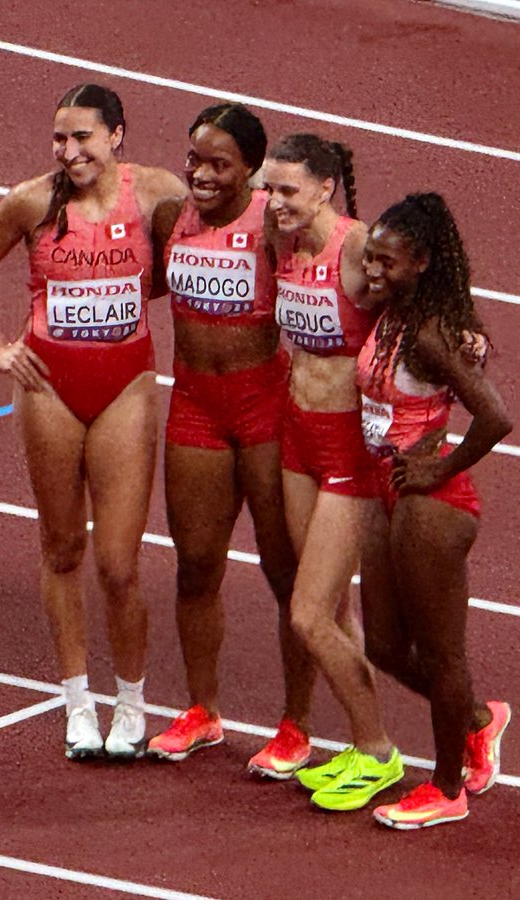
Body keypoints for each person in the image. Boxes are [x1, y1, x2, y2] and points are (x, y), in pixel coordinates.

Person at [0, 83, 187, 761]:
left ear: (117, 135)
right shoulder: (30, 201)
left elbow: (188, 259)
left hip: (126, 385)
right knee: (61, 549)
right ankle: (78, 702)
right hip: (49, 386)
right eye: (60, 138)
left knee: (118, 564)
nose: (68, 150)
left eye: (82, 136)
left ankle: (132, 703)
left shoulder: (156, 193)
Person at [144, 105, 313, 778]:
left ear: (251, 170)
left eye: (219, 164)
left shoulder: (273, 223)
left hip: (264, 407)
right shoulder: (170, 219)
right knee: (195, 566)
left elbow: (337, 271)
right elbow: (133, 283)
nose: (202, 175)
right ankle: (202, 710)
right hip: (194, 406)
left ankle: (296, 727)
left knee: (285, 572)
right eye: (195, 160)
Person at [354, 193, 513, 829]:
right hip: (386, 488)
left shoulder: (429, 334)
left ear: (420, 263)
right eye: (370, 258)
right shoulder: (393, 311)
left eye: (386, 262)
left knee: (443, 655)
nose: (373, 270)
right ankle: (477, 718)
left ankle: (448, 788)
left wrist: (439, 468)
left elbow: (495, 417)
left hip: (431, 503)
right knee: (384, 645)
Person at [260, 133, 404, 811]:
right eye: (270, 188)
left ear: (326, 189)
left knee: (309, 615)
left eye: (288, 190)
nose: (274, 201)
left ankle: (378, 751)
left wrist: (465, 337)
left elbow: (425, 302)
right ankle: (359, 740)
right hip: (297, 438)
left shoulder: (360, 247)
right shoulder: (283, 240)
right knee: (333, 608)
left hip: (350, 449)